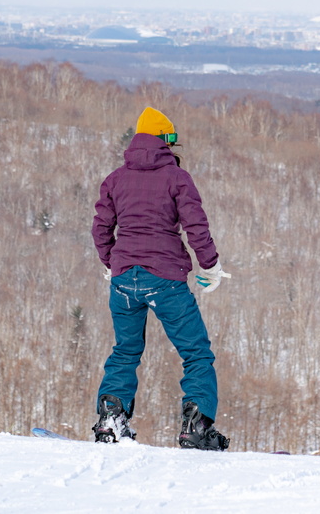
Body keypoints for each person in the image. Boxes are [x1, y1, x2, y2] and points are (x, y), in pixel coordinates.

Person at [90, 107, 232, 450]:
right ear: (165, 141)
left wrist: (113, 262)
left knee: (125, 351)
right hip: (165, 279)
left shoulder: (115, 179)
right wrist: (209, 266)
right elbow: (197, 227)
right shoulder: (176, 178)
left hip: (124, 281)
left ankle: (111, 418)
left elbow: (100, 229)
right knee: (196, 353)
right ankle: (195, 427)